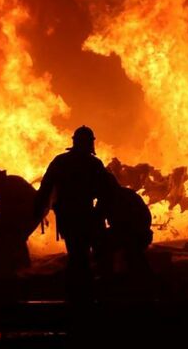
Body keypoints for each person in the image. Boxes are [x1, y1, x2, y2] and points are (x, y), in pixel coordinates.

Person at [34, 126, 112, 304]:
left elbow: (45, 188)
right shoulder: (93, 164)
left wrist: (38, 209)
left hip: (69, 217)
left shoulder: (61, 161)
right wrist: (99, 214)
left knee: (77, 254)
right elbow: (106, 192)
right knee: (88, 255)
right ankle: (87, 297)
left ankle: (78, 296)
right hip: (85, 215)